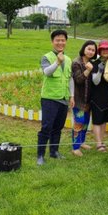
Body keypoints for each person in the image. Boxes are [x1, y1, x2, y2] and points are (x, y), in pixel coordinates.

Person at [37, 29, 72, 165]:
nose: (60, 42)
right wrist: (57, 62)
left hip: (63, 98)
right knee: (46, 127)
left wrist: (72, 96)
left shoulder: (68, 59)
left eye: (63, 40)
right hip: (50, 98)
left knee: (58, 127)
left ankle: (54, 152)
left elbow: (70, 79)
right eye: (57, 40)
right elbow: (47, 72)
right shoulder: (47, 57)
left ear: (66, 42)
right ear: (52, 42)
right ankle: (40, 155)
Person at [69, 40, 98, 156]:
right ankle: (75, 147)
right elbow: (78, 80)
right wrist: (88, 70)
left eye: (93, 50)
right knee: (79, 122)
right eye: (89, 49)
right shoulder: (76, 62)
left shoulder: (92, 63)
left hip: (88, 100)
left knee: (86, 122)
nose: (91, 52)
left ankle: (81, 142)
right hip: (78, 99)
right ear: (83, 49)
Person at [88, 39, 108, 153]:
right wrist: (100, 70)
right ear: (100, 50)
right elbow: (95, 81)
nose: (105, 51)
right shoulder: (95, 63)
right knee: (97, 120)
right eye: (103, 49)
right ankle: (98, 143)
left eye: (107, 49)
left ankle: (102, 141)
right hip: (97, 96)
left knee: (104, 120)